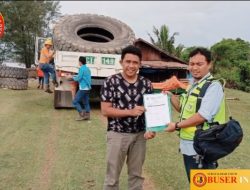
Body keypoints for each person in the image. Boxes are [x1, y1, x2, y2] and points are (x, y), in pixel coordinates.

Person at [165, 47, 225, 182]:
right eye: (192, 64)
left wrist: (176, 125)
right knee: (195, 182)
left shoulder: (213, 86)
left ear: (209, 65)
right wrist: (170, 96)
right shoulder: (193, 85)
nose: (194, 68)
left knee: (202, 184)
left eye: (199, 64)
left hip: (203, 146)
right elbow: (182, 108)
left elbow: (202, 116)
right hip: (189, 145)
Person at [100, 45, 155, 190]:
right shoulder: (111, 82)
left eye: (135, 62)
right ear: (121, 62)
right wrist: (130, 112)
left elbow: (151, 111)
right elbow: (105, 110)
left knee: (136, 176)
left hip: (139, 136)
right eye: (128, 61)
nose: (131, 65)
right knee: (112, 177)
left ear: (140, 64)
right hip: (117, 134)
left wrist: (152, 128)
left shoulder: (146, 84)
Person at [72, 56, 91, 121]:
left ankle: (82, 115)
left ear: (80, 62)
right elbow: (83, 77)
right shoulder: (87, 69)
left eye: (78, 61)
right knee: (86, 102)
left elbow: (79, 78)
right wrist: (74, 76)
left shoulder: (82, 69)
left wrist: (71, 78)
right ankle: (87, 116)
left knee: (75, 101)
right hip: (87, 88)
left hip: (83, 88)